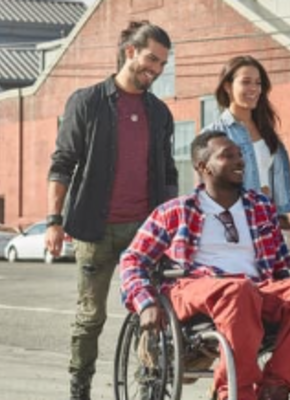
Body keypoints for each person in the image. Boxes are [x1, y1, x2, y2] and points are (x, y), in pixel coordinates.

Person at [120, 131, 290, 400]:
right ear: (204, 167)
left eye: (240, 155)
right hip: (194, 288)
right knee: (237, 291)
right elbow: (133, 260)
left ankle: (275, 389)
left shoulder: (261, 207)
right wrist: (145, 302)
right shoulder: (175, 211)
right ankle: (234, 393)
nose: (240, 161)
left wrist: (283, 293)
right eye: (227, 155)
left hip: (254, 290)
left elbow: (279, 268)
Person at [45, 20, 178, 400]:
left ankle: (149, 381)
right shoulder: (86, 102)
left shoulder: (160, 113)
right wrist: (54, 221)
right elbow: (62, 163)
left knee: (149, 312)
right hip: (95, 228)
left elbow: (167, 171)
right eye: (151, 59)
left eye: (162, 65)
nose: (155, 70)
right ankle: (80, 386)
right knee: (91, 317)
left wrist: (171, 223)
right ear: (130, 51)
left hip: (146, 230)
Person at [202, 55, 290, 235]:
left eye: (258, 83)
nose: (254, 88)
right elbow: (208, 192)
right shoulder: (212, 136)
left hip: (267, 225)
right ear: (227, 86)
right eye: (246, 82)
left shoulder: (268, 133)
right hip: (232, 228)